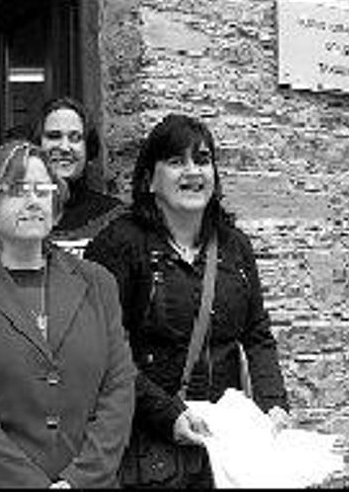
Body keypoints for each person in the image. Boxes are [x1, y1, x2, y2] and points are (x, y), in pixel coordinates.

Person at [85, 114, 290, 488]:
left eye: (202, 159)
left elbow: (257, 335)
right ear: (149, 179)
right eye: (176, 161)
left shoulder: (234, 247)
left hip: (224, 444)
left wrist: (273, 403)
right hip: (148, 443)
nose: (193, 171)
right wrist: (168, 415)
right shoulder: (118, 245)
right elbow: (104, 351)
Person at [0, 140, 136, 488]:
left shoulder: (98, 283)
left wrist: (80, 480)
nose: (34, 200)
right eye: (18, 190)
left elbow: (118, 389)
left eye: (43, 190)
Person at [32, 97, 124, 251]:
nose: (64, 147)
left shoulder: (114, 217)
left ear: (89, 148)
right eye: (54, 136)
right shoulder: (19, 213)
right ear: (37, 145)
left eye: (75, 138)